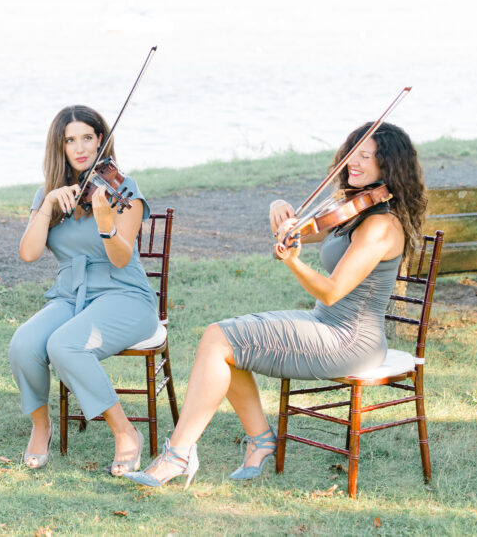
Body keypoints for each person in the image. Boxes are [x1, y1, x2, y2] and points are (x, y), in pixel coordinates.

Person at [125, 121, 427, 489]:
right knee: (223, 341)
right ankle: (258, 441)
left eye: (366, 156)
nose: (353, 163)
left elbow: (332, 292)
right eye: (351, 153)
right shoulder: (355, 211)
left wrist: (293, 261)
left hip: (349, 341)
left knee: (219, 340)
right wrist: (280, 209)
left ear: (389, 166)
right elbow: (303, 229)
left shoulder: (380, 226)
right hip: (329, 327)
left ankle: (179, 454)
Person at [8, 105, 158, 474]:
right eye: (70, 140)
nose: (80, 148)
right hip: (71, 296)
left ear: (100, 140)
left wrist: (106, 222)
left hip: (124, 295)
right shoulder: (49, 194)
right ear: (58, 147)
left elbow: (122, 259)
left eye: (87, 138)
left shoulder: (122, 188)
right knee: (24, 344)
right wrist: (46, 205)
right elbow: (28, 254)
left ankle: (125, 434)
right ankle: (40, 427)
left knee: (64, 344)